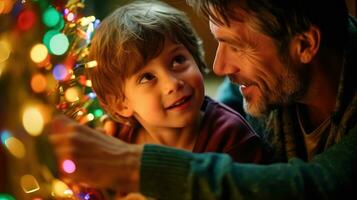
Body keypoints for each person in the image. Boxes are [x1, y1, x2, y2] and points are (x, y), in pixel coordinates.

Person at [48, 0, 357, 199]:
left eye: (235, 45)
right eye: (147, 76)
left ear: (304, 44)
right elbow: (224, 105)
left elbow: (314, 187)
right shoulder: (269, 83)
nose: (220, 67)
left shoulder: (236, 138)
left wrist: (131, 167)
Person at [89, 0, 266, 163]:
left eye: (178, 60)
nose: (172, 83)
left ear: (196, 58)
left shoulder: (233, 139)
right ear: (120, 104)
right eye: (147, 77)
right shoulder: (116, 142)